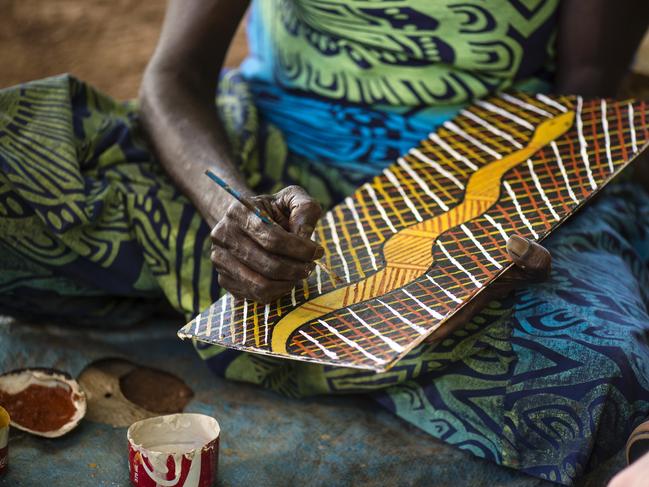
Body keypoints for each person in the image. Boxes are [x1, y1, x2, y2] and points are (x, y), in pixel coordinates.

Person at [0, 0, 648, 484]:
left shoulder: (485, 181)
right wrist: (229, 208)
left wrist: (470, 238)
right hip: (260, 145)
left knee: (605, 363)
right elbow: (173, 75)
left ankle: (251, 318)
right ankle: (346, 336)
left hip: (480, 171)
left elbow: (580, 96)